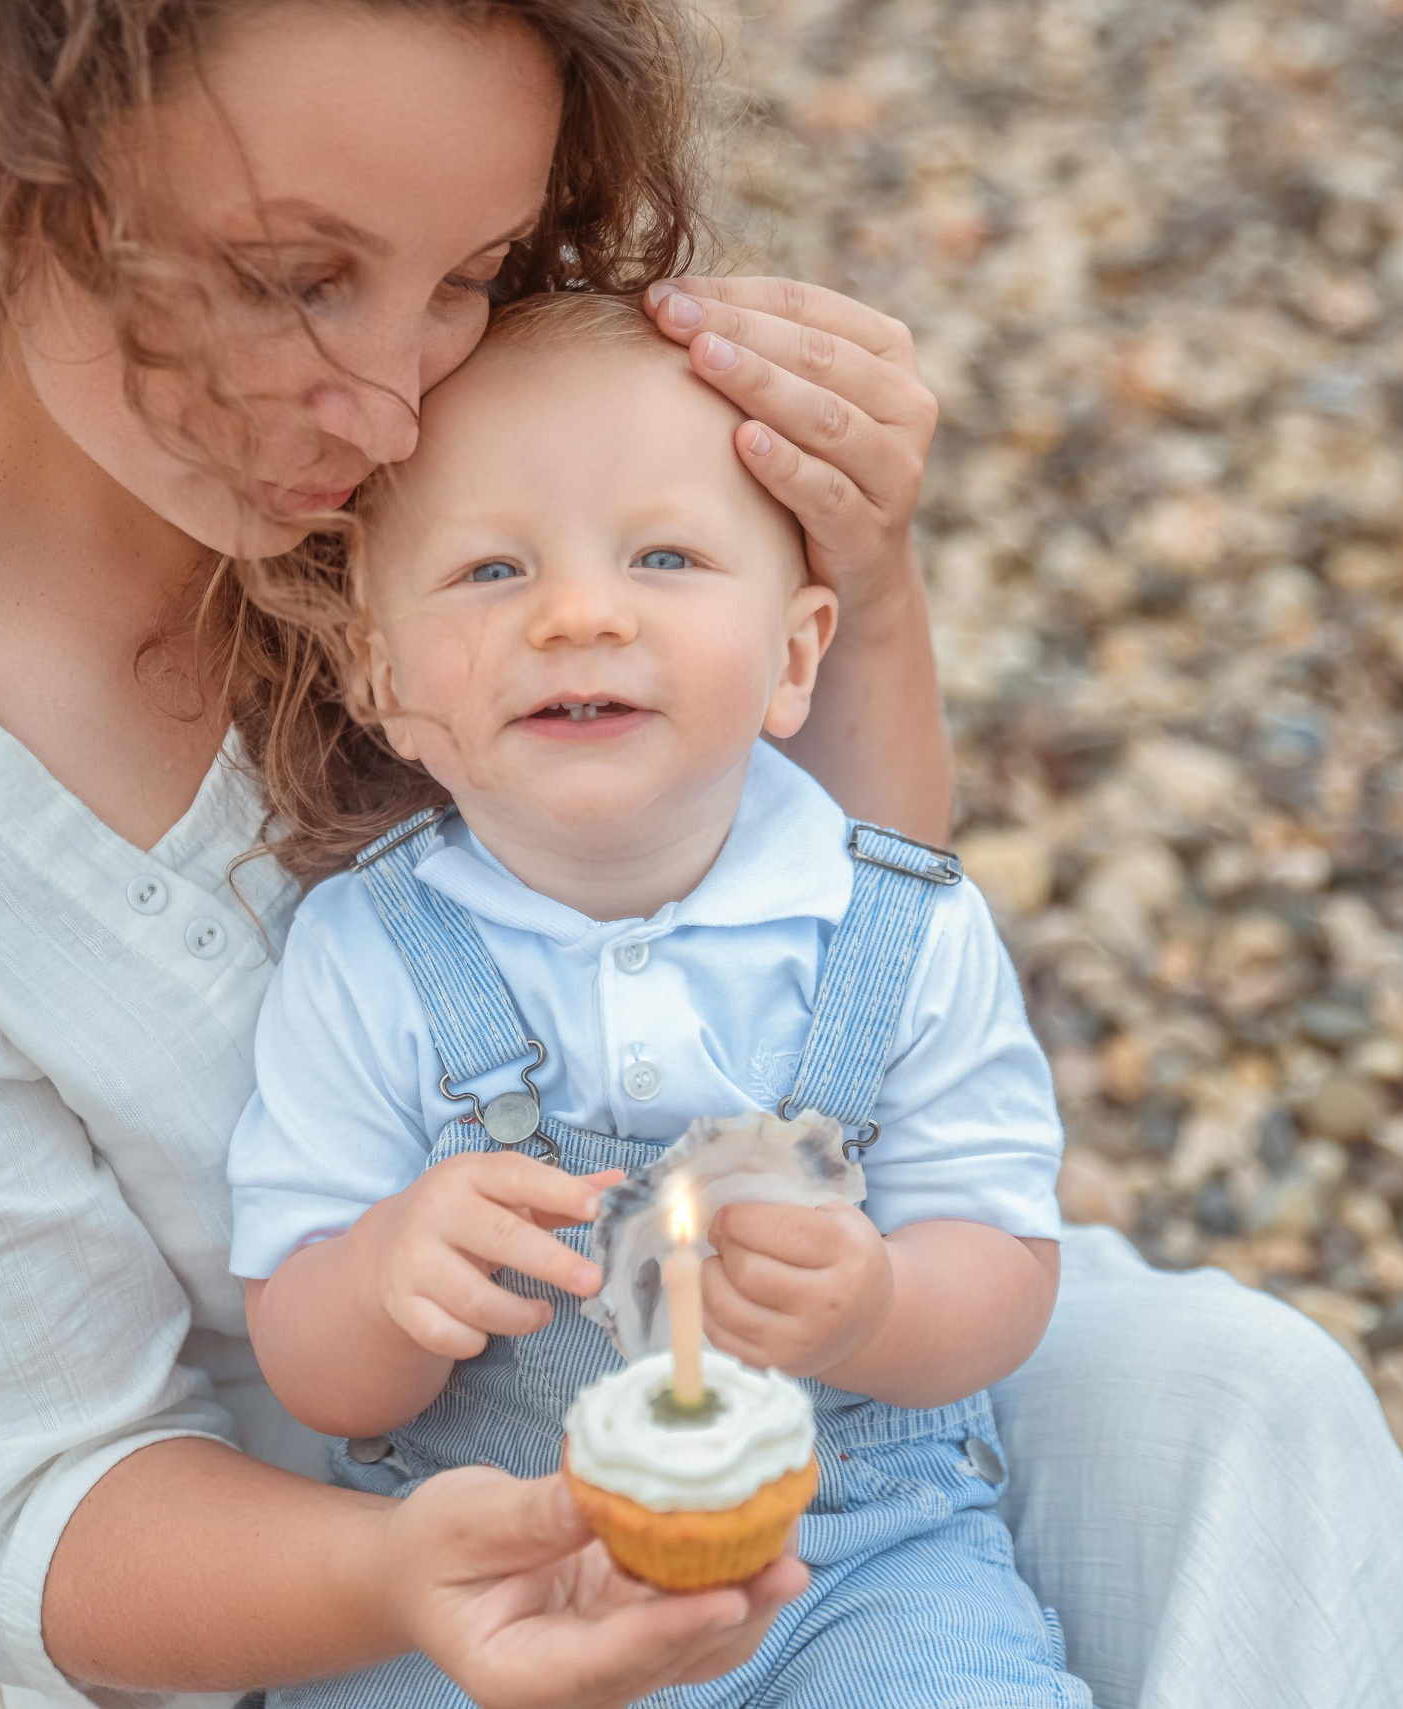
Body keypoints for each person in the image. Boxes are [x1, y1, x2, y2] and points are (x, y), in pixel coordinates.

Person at [0, 0, 1403, 1706]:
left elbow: (854, 946)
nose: (399, 403)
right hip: (259, 1563)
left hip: (792, 1413)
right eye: (297, 278)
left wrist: (857, 572)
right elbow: (37, 1503)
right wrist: (410, 1571)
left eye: (469, 272)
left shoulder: (484, 441)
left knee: (1246, 1401)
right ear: (5, 165)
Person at [231, 292, 1089, 1706]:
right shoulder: (368, 953)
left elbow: (1004, 1256)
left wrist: (877, 1304)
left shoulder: (894, 923)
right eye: (492, 569)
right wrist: (385, 1279)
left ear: (796, 655)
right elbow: (307, 1354)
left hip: (851, 1558)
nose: (579, 613)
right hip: (503, 1566)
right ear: (382, 677)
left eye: (666, 557)